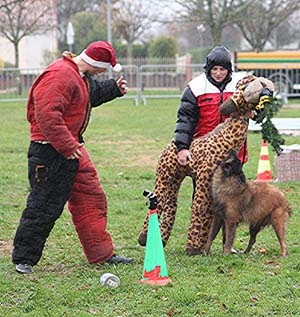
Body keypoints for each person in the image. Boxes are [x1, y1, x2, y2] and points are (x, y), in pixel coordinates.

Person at [12, 41, 133, 274]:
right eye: (104, 68)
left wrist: (114, 89)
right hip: (50, 150)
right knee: (44, 205)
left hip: (71, 148)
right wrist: (67, 146)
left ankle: (101, 254)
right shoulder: (59, 75)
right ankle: (24, 258)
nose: (104, 72)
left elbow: (86, 95)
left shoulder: (78, 75)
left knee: (92, 198)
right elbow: (47, 115)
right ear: (96, 62)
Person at [174, 45, 248, 166]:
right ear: (208, 69)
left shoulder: (240, 85)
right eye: (214, 69)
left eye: (222, 69)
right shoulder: (195, 87)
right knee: (204, 184)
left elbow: (255, 105)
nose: (218, 73)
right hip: (204, 150)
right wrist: (182, 147)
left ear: (228, 70)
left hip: (234, 152)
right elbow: (185, 119)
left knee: (232, 185)